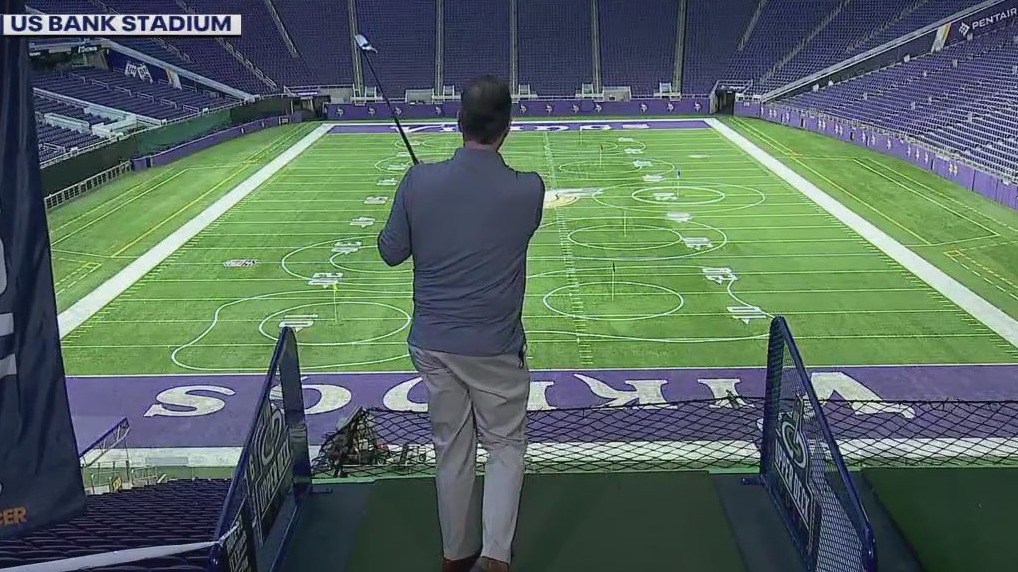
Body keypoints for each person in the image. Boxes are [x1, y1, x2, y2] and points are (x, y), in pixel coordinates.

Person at [377, 75, 545, 572]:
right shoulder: (529, 189)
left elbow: (391, 252)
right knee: (505, 446)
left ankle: (455, 554)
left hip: (434, 344)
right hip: (496, 347)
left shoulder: (419, 182)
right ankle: (494, 557)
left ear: (458, 122)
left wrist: (416, 200)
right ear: (507, 127)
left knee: (451, 448)